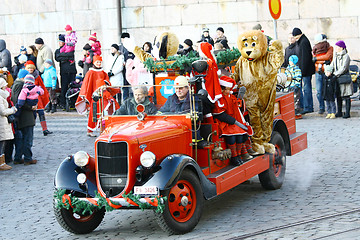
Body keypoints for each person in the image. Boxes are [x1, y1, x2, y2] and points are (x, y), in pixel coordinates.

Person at [212, 76, 253, 166]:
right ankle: (234, 157)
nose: (228, 91)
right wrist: (233, 121)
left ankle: (238, 155)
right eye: (226, 89)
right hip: (224, 122)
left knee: (240, 136)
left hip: (233, 121)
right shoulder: (220, 98)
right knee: (232, 137)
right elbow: (219, 113)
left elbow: (236, 110)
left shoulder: (230, 96)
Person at [75, 55, 119, 137]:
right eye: (97, 62)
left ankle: (103, 128)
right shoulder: (90, 72)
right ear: (94, 63)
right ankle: (90, 130)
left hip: (104, 94)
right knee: (94, 113)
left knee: (105, 111)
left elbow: (107, 81)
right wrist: (86, 95)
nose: (99, 64)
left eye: (100, 62)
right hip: (95, 96)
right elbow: (86, 85)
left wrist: (105, 84)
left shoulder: (103, 72)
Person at [11, 69, 37, 165]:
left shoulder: (16, 85)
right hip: (25, 116)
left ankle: (18, 158)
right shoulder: (21, 86)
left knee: (21, 139)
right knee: (27, 138)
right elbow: (21, 102)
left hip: (21, 116)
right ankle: (27, 158)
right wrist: (31, 107)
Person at [25, 61, 52, 136]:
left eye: (31, 68)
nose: (30, 69)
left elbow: (42, 85)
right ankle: (30, 131)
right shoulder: (24, 75)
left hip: (37, 97)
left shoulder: (37, 76)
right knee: (32, 115)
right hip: (29, 97)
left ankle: (45, 129)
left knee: (41, 113)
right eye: (29, 68)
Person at [292, 28, 315, 114]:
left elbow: (305, 58)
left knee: (307, 89)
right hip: (302, 70)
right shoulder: (300, 41)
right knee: (303, 89)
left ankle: (308, 107)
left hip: (305, 71)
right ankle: (304, 106)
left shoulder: (304, 41)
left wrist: (302, 71)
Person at [55, 34, 77, 110]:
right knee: (64, 88)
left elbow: (71, 55)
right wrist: (66, 56)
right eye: (59, 41)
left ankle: (73, 104)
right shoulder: (58, 50)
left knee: (73, 88)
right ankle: (63, 103)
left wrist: (63, 56)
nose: (60, 43)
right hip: (64, 72)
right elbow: (57, 58)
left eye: (61, 41)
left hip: (72, 71)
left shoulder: (70, 48)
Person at [312, 33, 333, 114]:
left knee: (328, 91)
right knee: (319, 91)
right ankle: (321, 107)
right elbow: (314, 58)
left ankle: (329, 108)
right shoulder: (315, 49)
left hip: (327, 71)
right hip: (318, 71)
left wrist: (317, 59)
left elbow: (327, 57)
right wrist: (323, 61)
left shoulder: (330, 48)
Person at [331, 40, 352, 118]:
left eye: (337, 46)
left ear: (341, 47)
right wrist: (329, 70)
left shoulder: (346, 56)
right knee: (338, 95)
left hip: (344, 78)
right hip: (337, 78)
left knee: (346, 95)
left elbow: (344, 68)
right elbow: (332, 64)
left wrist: (335, 74)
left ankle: (347, 112)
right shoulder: (335, 55)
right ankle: (339, 111)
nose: (336, 48)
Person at [0, 77, 17, 170]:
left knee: (3, 142)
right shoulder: (0, 97)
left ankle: (2, 162)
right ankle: (1, 163)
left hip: (4, 122)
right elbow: (2, 111)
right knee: (1, 143)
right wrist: (12, 110)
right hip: (1, 122)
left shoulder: (3, 95)